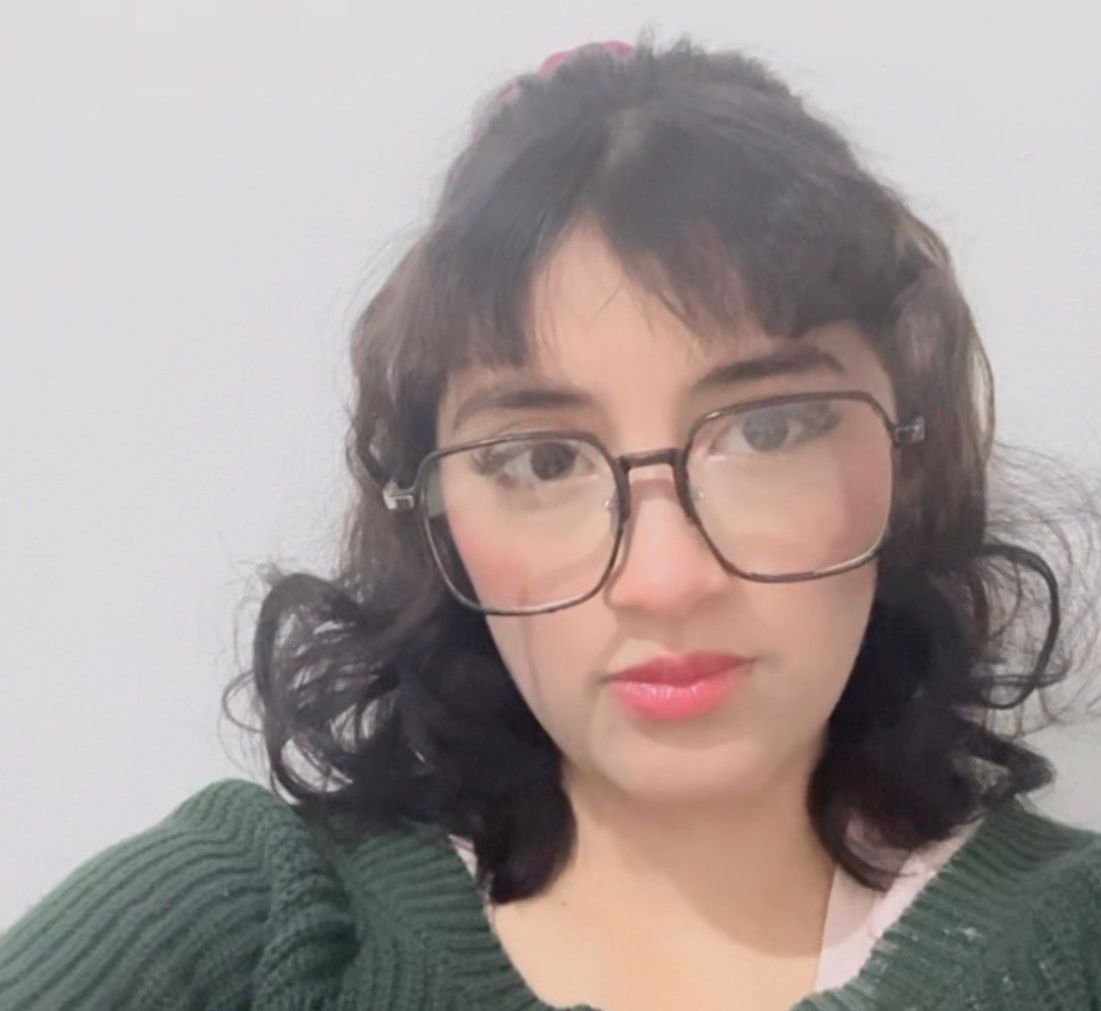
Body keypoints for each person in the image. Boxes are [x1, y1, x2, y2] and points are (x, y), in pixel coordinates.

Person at [2, 32, 1100, 1011]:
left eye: (768, 431)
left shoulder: (1073, 944)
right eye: (542, 460)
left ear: (908, 456)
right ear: (435, 514)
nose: (664, 578)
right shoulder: (245, 925)